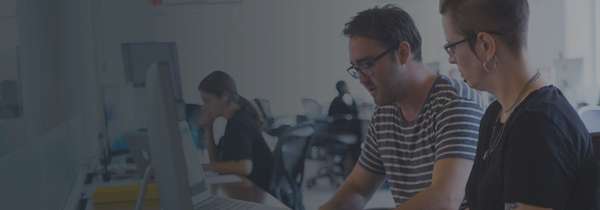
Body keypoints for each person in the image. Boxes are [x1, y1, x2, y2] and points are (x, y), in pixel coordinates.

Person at [320, 5, 484, 210]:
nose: (362, 80)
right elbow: (357, 188)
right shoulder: (385, 112)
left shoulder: (455, 103)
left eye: (368, 64)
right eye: (357, 69)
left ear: (403, 53)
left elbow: (444, 200)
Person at [439, 0, 599, 209]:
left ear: (485, 45)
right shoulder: (494, 115)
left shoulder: (539, 125)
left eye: (451, 47)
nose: (451, 60)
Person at [198, 70, 274, 191]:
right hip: (250, 188)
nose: (204, 107)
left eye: (207, 101)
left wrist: (204, 168)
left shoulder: (239, 123)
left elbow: (245, 167)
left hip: (259, 194)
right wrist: (208, 127)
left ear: (224, 97)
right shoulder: (234, 119)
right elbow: (217, 162)